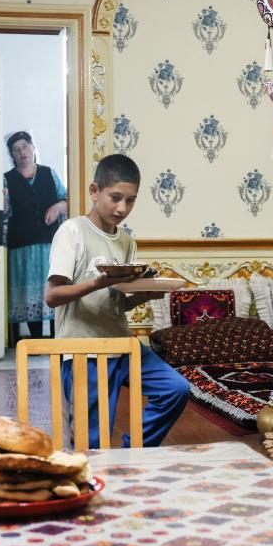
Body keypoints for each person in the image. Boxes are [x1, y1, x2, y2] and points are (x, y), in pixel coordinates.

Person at [45, 153, 189, 448]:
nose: (122, 208)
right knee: (92, 443)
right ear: (94, 191)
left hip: (122, 344)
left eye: (131, 200)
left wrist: (143, 295)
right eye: (115, 198)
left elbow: (115, 302)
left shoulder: (126, 242)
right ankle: (98, 468)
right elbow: (52, 297)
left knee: (176, 389)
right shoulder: (72, 231)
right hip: (84, 351)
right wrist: (96, 283)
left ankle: (130, 451)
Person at [3, 130, 68, 342]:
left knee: (51, 289)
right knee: (27, 294)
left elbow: (67, 199)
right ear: (12, 155)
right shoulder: (6, 180)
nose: (22, 152)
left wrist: (57, 207)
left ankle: (56, 339)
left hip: (49, 245)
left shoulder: (50, 174)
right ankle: (35, 340)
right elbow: (4, 212)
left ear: (32, 147)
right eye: (16, 149)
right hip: (21, 247)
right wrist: (3, 202)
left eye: (25, 146)